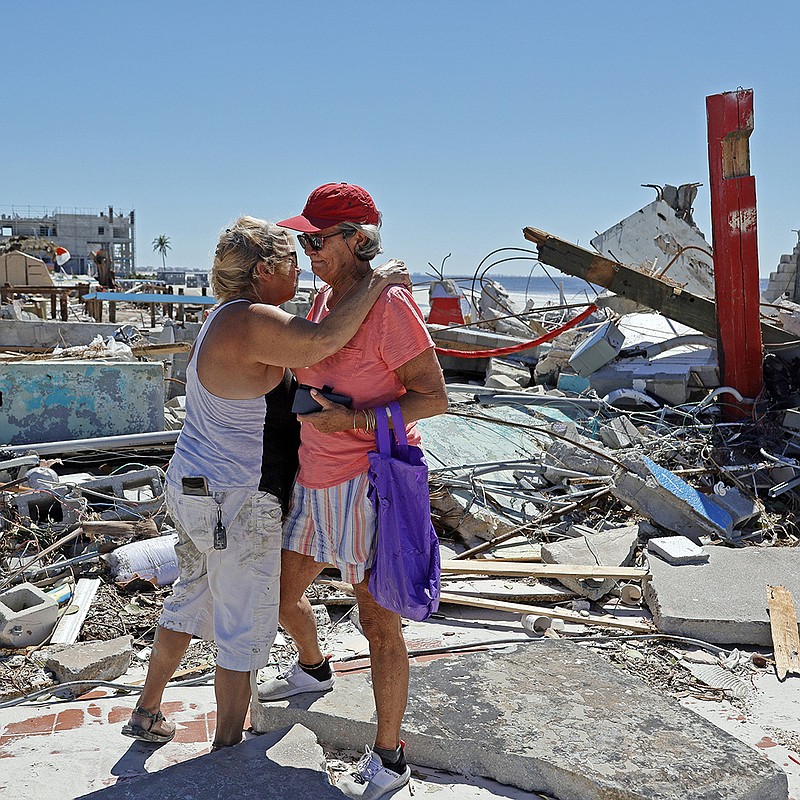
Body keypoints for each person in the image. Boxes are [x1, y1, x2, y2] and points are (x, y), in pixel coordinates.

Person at [121, 216, 409, 751]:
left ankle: (146, 712)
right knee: (240, 630)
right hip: (235, 498)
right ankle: (228, 752)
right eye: (293, 261)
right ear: (264, 269)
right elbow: (323, 340)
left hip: (193, 489)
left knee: (190, 597)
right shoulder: (252, 320)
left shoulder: (220, 319)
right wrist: (379, 279)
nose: (301, 271)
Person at [257, 184, 448, 799]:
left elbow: (433, 398)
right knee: (283, 596)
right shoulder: (323, 300)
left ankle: (390, 757)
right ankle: (314, 670)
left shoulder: (390, 309)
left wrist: (356, 421)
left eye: (318, 238)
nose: (306, 247)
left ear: (358, 240)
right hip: (315, 484)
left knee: (378, 624)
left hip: (370, 487)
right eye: (303, 238)